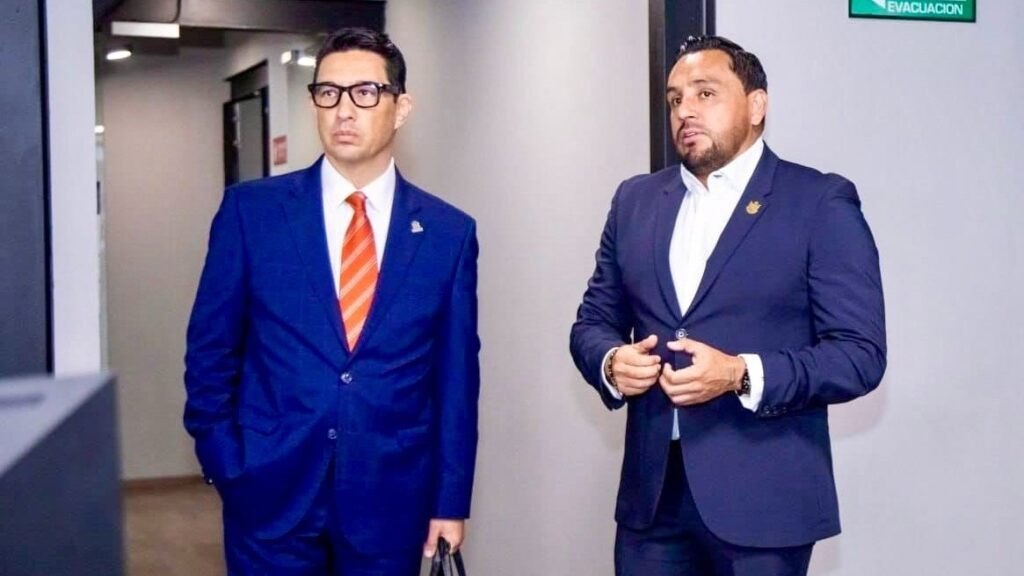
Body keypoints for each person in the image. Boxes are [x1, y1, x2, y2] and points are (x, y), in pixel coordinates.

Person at [569, 36, 886, 576]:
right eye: (675, 99)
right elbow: (593, 321)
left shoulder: (819, 202)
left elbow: (859, 355)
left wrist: (741, 374)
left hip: (766, 507)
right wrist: (611, 362)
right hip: (652, 503)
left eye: (705, 93)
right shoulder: (635, 201)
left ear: (756, 105)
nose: (685, 111)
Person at [184, 27, 479, 575]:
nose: (344, 110)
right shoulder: (252, 213)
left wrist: (449, 499)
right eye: (328, 92)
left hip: (390, 500)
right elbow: (210, 352)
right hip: (267, 495)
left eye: (365, 92)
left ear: (401, 107)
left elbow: (455, 380)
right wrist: (224, 460)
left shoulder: (447, 233)